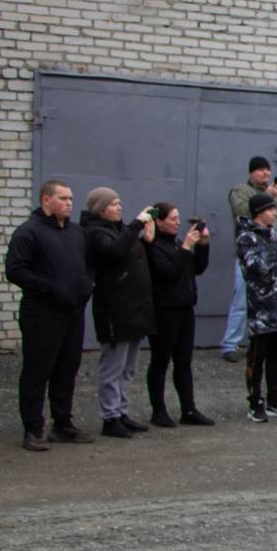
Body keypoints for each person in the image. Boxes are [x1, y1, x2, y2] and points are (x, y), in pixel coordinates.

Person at [5, 180, 96, 450]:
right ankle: (33, 429)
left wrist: (88, 284)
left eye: (71, 199)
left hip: (73, 312)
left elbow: (89, 263)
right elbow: (15, 270)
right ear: (46, 200)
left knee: (67, 370)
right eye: (63, 198)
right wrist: (49, 287)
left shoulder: (76, 232)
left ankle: (63, 424)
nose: (69, 203)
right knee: (37, 371)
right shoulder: (29, 232)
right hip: (42, 313)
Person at [81, 187, 157, 438]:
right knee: (112, 367)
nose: (119, 208)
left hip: (135, 309)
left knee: (128, 368)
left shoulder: (120, 230)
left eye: (119, 203)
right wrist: (135, 225)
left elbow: (131, 254)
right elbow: (114, 252)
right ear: (100, 209)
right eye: (113, 204)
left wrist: (146, 239)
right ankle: (110, 417)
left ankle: (122, 411)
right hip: (115, 310)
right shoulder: (95, 232)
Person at [144, 203, 214, 427]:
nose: (177, 222)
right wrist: (186, 247)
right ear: (159, 221)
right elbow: (168, 273)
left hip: (185, 309)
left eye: (178, 218)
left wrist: (203, 244)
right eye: (172, 219)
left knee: (183, 361)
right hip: (164, 310)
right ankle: (158, 411)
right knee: (160, 360)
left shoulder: (175, 243)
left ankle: (189, 409)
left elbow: (197, 268)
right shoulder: (153, 246)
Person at [236, 192, 277, 423]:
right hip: (262, 310)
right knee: (257, 359)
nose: (274, 213)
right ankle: (255, 401)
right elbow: (256, 267)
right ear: (259, 213)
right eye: (270, 209)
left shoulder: (274, 234)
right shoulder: (246, 238)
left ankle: (274, 397)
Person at [222, 157, 277, 361]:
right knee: (241, 301)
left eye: (268, 169)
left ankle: (257, 343)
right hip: (248, 253)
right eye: (261, 170)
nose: (266, 173)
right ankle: (230, 345)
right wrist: (267, 196)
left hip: (270, 253)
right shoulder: (240, 191)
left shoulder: (274, 195)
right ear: (251, 172)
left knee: (266, 301)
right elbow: (242, 213)